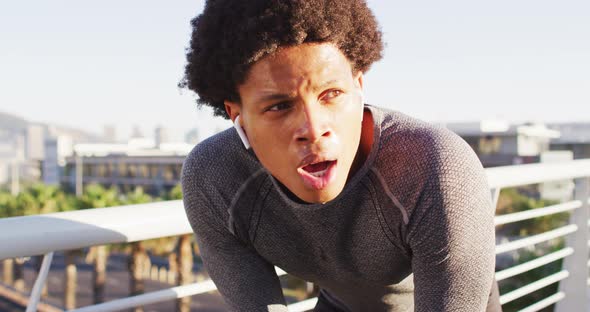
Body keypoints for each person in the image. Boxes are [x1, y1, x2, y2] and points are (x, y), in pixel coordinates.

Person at [179, 1, 500, 311]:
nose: (313, 128)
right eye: (279, 106)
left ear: (359, 87)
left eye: (331, 94)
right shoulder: (215, 181)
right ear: (239, 118)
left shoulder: (437, 171)